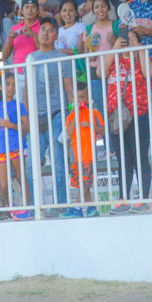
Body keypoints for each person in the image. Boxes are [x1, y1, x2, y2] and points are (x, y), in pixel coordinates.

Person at [23, 17, 75, 216]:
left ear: (56, 35)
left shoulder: (62, 58)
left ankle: (60, 205)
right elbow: (26, 90)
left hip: (57, 113)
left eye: (50, 30)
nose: (45, 33)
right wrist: (27, 116)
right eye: (42, 29)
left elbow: (69, 89)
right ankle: (35, 206)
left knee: (59, 162)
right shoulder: (31, 58)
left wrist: (72, 114)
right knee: (31, 164)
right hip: (36, 115)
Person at [102, 30, 152, 214]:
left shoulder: (142, 59)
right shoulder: (114, 60)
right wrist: (114, 50)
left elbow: (150, 73)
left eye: (132, 39)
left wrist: (139, 49)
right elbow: (100, 72)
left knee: (140, 157)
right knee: (123, 159)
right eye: (125, 39)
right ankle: (123, 199)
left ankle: (144, 199)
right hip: (116, 118)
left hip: (139, 114)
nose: (127, 42)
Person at [0, 72, 29, 214]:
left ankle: (27, 207)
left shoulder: (19, 106)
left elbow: (27, 127)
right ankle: (11, 208)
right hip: (1, 148)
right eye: (7, 84)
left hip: (16, 145)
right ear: (0, 87)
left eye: (14, 85)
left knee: (20, 176)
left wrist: (10, 125)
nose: (11, 88)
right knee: (3, 184)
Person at [62, 83, 104, 218]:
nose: (79, 100)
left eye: (81, 97)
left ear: (87, 98)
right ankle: (91, 207)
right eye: (76, 98)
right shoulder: (70, 117)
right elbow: (69, 132)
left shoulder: (94, 113)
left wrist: (90, 125)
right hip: (76, 156)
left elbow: (103, 130)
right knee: (83, 183)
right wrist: (77, 116)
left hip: (89, 155)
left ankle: (77, 207)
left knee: (84, 183)